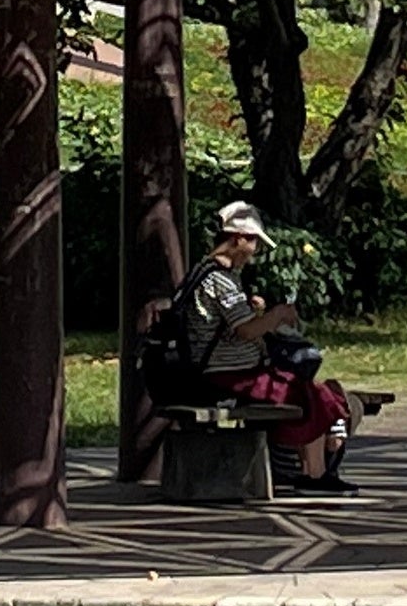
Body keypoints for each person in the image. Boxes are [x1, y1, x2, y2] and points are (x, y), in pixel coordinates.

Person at [148, 201, 357, 489]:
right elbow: (246, 330)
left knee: (312, 390)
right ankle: (315, 471)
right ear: (238, 238)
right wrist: (277, 314)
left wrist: (254, 310)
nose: (254, 250)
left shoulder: (206, 273)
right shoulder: (219, 279)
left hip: (231, 372)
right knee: (310, 393)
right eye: (253, 242)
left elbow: (231, 322)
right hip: (229, 376)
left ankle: (316, 468)